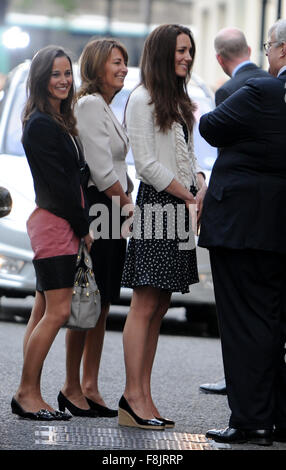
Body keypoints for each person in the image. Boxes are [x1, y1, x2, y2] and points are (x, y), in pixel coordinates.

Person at [198, 18, 286, 446]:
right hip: (278, 224)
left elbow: (210, 127)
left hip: (241, 224)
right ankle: (278, 417)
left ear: (282, 50)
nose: (266, 54)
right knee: (273, 321)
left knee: (242, 323)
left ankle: (251, 421)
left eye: (270, 46)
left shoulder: (260, 90)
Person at [119, 24, 207, 430]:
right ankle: (132, 397)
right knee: (144, 303)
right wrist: (187, 195)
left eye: (190, 50)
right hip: (157, 205)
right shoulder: (142, 98)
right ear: (161, 53)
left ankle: (145, 396)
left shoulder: (177, 98)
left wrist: (200, 183)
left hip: (178, 207)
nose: (187, 57)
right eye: (180, 51)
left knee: (161, 305)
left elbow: (185, 155)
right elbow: (146, 166)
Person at [11, 45, 93, 421]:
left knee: (44, 310)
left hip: (57, 223)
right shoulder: (42, 124)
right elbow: (59, 188)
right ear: (41, 80)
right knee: (58, 312)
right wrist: (83, 228)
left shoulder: (59, 120)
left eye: (67, 74)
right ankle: (28, 393)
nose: (63, 80)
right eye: (55, 74)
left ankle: (29, 391)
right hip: (56, 223)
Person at [58, 38, 133, 417]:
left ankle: (90, 385)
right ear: (97, 65)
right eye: (116, 62)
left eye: (124, 63)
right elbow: (102, 172)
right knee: (88, 301)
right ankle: (72, 386)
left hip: (113, 209)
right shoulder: (89, 104)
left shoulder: (105, 105)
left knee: (101, 304)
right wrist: (129, 205)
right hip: (104, 207)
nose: (122, 68)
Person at [199, 27, 270, 396]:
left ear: (219, 59)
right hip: (269, 216)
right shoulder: (272, 81)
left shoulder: (231, 90)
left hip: (239, 213)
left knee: (238, 309)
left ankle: (239, 382)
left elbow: (220, 144)